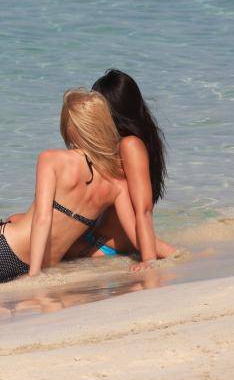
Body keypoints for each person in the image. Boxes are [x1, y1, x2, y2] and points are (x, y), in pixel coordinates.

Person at [0, 89, 149, 282]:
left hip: (6, 253)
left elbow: (42, 219)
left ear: (71, 127)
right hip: (35, 264)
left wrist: (35, 276)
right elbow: (135, 229)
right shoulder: (117, 184)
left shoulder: (51, 159)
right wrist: (151, 258)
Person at [67, 69, 176, 265]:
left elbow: (143, 210)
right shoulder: (135, 144)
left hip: (99, 246)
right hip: (101, 243)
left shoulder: (129, 145)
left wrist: (149, 260)